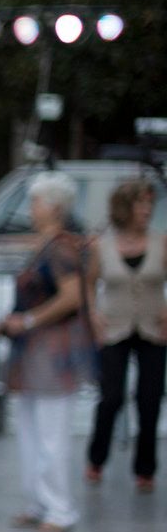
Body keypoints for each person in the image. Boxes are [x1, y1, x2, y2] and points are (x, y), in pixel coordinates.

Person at [0, 171, 95, 532]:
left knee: (51, 431)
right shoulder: (46, 245)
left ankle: (59, 507)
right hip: (35, 351)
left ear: (53, 206)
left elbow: (72, 296)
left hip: (52, 351)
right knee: (32, 429)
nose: (32, 208)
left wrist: (30, 320)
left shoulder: (61, 247)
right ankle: (39, 501)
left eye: (36, 201)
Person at [85, 178, 166, 492]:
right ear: (124, 208)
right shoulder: (102, 245)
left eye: (149, 204)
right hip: (115, 327)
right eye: (140, 203)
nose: (146, 210)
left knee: (149, 399)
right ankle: (96, 458)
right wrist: (93, 314)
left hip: (152, 327)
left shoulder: (161, 242)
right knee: (111, 397)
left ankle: (145, 469)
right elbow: (90, 283)